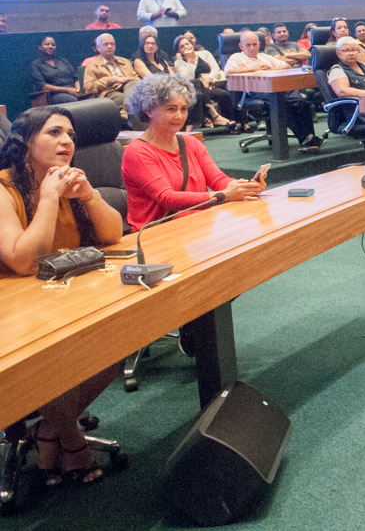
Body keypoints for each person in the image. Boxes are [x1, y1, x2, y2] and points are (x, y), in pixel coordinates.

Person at [0, 106, 124, 486]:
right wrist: (49, 198)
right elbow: (23, 262)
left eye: (69, 133)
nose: (67, 141)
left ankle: (49, 431)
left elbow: (113, 235)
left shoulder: (68, 181)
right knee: (55, 362)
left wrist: (88, 195)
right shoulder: (5, 189)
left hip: (60, 295)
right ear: (25, 145)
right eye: (54, 133)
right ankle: (70, 441)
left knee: (121, 344)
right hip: (16, 309)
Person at [122, 74, 264, 230]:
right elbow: (167, 198)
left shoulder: (191, 143)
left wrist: (243, 187)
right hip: (156, 233)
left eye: (183, 109)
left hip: (197, 227)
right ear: (149, 110)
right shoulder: (137, 152)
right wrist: (225, 195)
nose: (179, 116)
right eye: (171, 109)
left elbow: (217, 180)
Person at [224, 30, 324, 152]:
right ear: (241, 46)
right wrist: (253, 68)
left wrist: (270, 68)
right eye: (248, 45)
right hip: (256, 92)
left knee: (301, 102)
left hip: (278, 87)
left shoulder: (264, 57)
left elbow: (285, 66)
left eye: (254, 44)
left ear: (259, 44)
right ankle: (305, 139)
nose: (252, 48)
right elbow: (228, 72)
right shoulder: (236, 57)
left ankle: (310, 137)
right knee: (283, 104)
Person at [173, 34, 236, 130]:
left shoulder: (205, 54)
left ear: (192, 44)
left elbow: (215, 68)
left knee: (223, 94)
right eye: (182, 46)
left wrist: (209, 78)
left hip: (210, 85)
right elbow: (187, 80)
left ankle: (231, 124)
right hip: (192, 91)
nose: (186, 47)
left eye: (187, 44)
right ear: (179, 51)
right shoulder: (178, 63)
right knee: (198, 85)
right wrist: (190, 61)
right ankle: (215, 116)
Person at [83, 33, 140, 123]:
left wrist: (122, 82)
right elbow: (88, 87)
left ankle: (125, 111)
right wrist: (111, 80)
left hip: (127, 88)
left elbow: (135, 78)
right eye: (106, 44)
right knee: (135, 101)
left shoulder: (125, 61)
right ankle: (139, 132)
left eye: (112, 44)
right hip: (109, 93)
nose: (110, 46)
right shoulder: (92, 66)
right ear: (98, 48)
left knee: (137, 93)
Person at [31, 36, 81, 105]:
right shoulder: (35, 64)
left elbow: (76, 78)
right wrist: (67, 90)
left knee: (90, 99)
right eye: (47, 44)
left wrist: (78, 90)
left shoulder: (63, 61)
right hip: (54, 95)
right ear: (40, 47)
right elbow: (43, 86)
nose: (50, 46)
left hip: (73, 91)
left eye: (53, 45)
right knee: (74, 101)